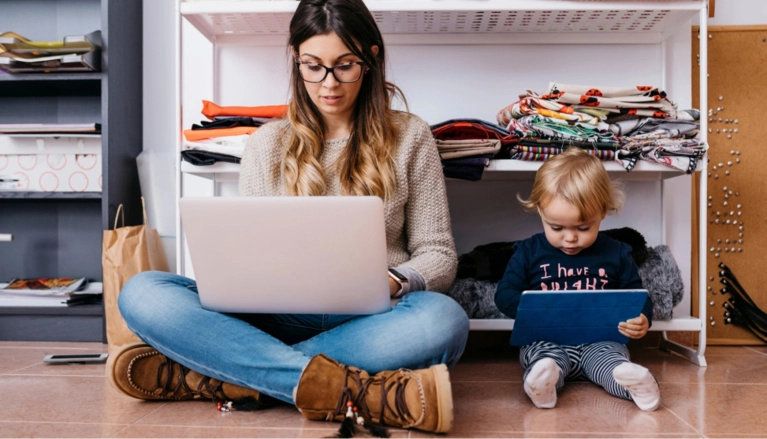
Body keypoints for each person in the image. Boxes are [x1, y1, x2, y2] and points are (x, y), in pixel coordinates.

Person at [107, 0, 469, 434]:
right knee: (143, 291)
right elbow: (252, 255)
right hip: (275, 317)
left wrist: (393, 279)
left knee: (444, 320)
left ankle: (234, 376)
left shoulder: (411, 135)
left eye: (344, 66)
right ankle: (341, 388)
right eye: (312, 66)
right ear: (296, 61)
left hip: (372, 319)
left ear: (371, 59)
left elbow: (439, 255)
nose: (328, 84)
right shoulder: (267, 144)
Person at [494, 147, 661, 412]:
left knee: (610, 362)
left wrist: (642, 318)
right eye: (556, 227)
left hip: (601, 340)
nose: (570, 238)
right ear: (540, 212)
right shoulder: (529, 251)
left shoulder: (616, 252)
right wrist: (530, 310)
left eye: (583, 228)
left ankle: (635, 383)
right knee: (543, 359)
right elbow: (504, 293)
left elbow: (635, 295)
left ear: (603, 212)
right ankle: (544, 383)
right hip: (547, 338)